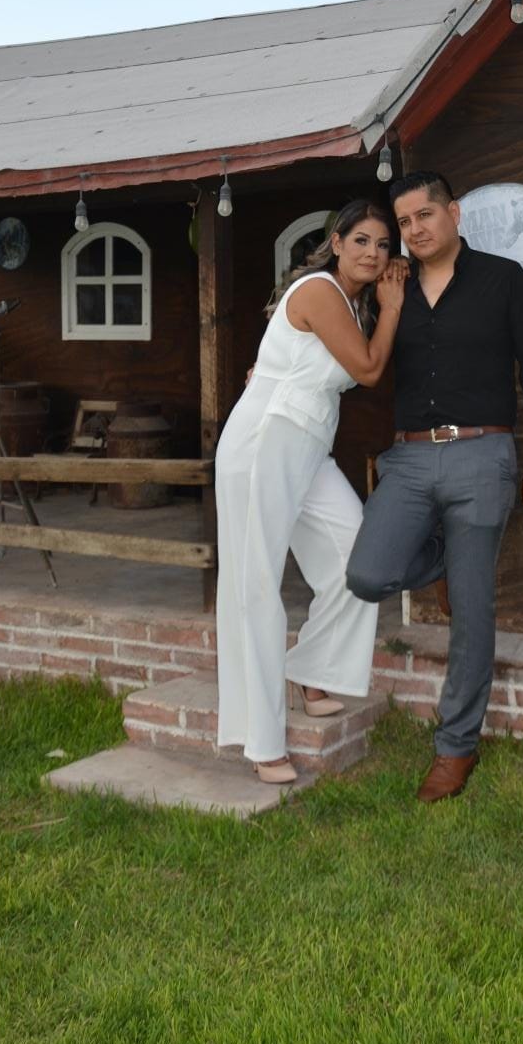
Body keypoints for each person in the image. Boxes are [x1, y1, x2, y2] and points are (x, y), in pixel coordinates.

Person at [346, 171, 523, 803]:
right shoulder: (394, 289)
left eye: (424, 216)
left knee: (471, 611)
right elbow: (348, 348)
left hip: (482, 454)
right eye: (404, 223)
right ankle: (444, 556)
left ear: (454, 214)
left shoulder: (503, 280)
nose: (414, 230)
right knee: (367, 574)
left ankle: (456, 746)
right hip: (411, 459)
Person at [215, 199, 406, 784]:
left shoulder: (350, 302)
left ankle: (312, 668)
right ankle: (262, 740)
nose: (373, 253)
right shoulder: (322, 291)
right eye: (362, 241)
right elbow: (368, 369)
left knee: (356, 556)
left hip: (308, 447)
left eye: (383, 245)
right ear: (337, 242)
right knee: (255, 586)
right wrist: (393, 307)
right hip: (264, 443)